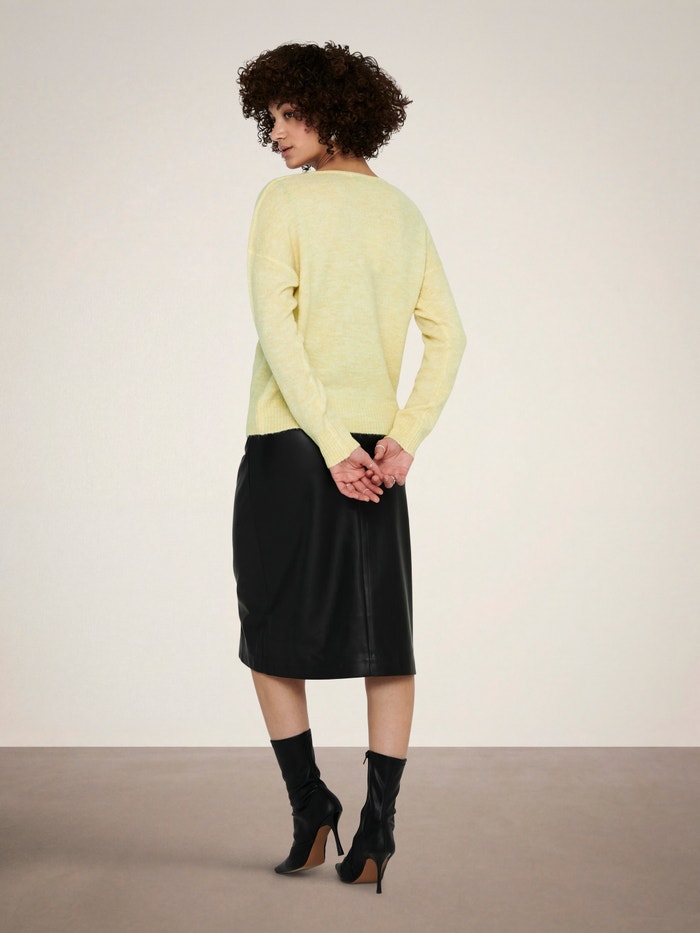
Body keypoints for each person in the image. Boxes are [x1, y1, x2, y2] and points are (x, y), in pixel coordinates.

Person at [233, 41, 466, 894]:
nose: (275, 132)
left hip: (296, 443)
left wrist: (331, 445)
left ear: (334, 112)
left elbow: (277, 330)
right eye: (269, 118)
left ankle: (311, 805)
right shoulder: (402, 212)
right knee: (384, 639)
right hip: (375, 454)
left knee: (269, 632)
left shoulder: (283, 203)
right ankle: (378, 829)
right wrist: (401, 437)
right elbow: (450, 337)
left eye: (289, 114)